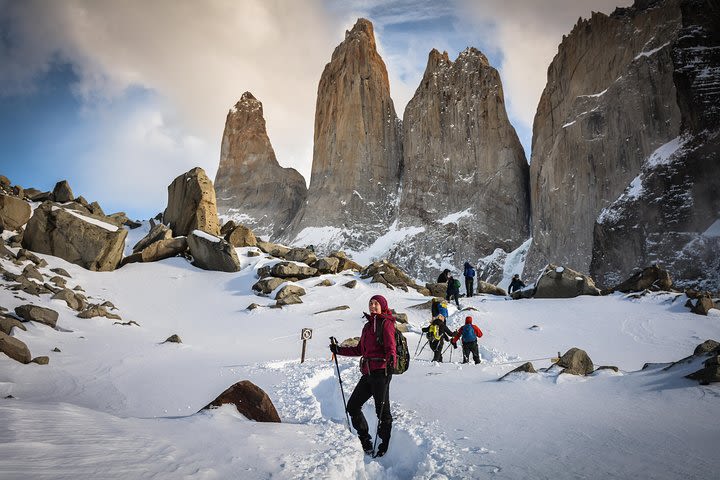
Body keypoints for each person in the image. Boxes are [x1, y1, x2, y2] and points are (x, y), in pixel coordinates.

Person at [330, 295, 396, 457]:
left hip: (381, 373)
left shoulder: (386, 323)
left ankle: (383, 446)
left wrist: (390, 365)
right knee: (352, 406)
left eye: (376, 304)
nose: (373, 306)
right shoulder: (367, 326)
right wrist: (338, 350)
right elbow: (359, 350)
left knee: (383, 412)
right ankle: (365, 440)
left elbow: (391, 347)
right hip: (367, 373)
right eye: (371, 303)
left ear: (383, 306)